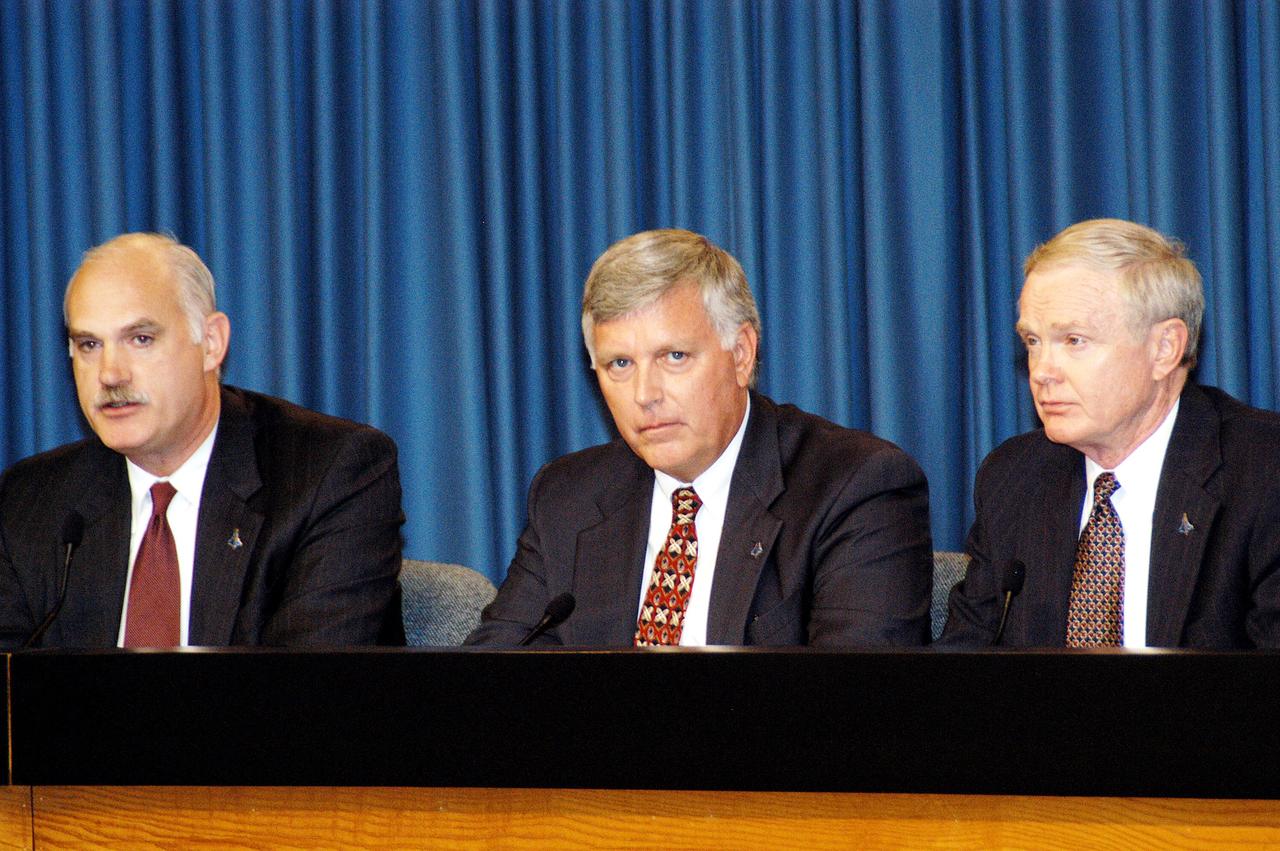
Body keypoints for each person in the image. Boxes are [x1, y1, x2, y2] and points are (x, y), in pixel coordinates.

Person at [467, 228, 932, 647]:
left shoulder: (854, 486)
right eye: (620, 365)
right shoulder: (568, 495)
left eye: (673, 356)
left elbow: (858, 705)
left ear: (741, 355)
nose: (644, 395)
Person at [0, 232, 405, 648]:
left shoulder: (330, 475)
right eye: (89, 345)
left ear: (211, 344)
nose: (110, 374)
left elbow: (303, 692)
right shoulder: (28, 502)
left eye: (141, 339)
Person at [941, 218, 1280, 648]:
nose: (1042, 371)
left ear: (1164, 348)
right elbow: (961, 664)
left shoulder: (1263, 473)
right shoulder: (1014, 477)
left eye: (1074, 341)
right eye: (1032, 341)